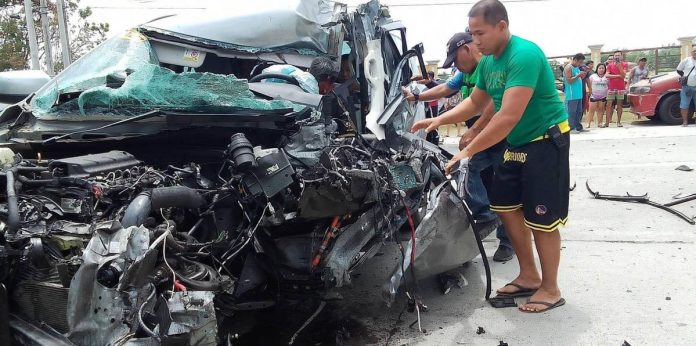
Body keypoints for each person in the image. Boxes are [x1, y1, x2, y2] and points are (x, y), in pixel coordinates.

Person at [411, 0, 569, 313]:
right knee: (505, 206)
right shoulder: (488, 64)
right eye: (471, 33)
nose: (475, 40)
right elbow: (475, 102)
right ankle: (528, 275)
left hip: (544, 142)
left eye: (480, 33)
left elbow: (508, 115)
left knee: (542, 219)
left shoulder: (524, 55)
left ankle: (550, 288)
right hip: (517, 142)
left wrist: (468, 149)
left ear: (501, 26)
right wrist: (438, 120)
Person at [402, 32, 515, 262]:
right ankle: (485, 213)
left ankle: (507, 241)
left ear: (467, 48)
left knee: (504, 188)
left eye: (455, 59)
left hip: (501, 135)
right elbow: (443, 89)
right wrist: (415, 97)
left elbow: (494, 104)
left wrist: (473, 132)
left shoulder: (489, 66)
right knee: (469, 169)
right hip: (481, 136)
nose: (455, 65)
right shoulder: (464, 73)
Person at [564, 53, 588, 132]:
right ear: (575, 60)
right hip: (571, 94)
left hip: (578, 94)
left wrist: (585, 73)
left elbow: (580, 78)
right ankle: (571, 128)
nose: (580, 64)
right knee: (571, 112)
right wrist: (578, 75)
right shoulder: (568, 67)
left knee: (579, 111)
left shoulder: (577, 67)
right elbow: (569, 81)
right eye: (580, 62)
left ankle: (578, 127)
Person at [605, 50, 628, 127]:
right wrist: (618, 76)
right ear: (614, 57)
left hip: (620, 87)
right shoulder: (610, 65)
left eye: (618, 55)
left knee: (619, 105)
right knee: (609, 105)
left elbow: (624, 75)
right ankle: (607, 122)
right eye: (616, 55)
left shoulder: (624, 64)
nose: (617, 57)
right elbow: (607, 75)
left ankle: (619, 122)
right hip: (611, 87)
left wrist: (619, 67)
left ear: (621, 56)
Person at [676, 47, 696, 126]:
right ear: (691, 52)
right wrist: (685, 77)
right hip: (687, 86)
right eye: (694, 51)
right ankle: (685, 122)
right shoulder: (686, 60)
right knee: (684, 104)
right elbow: (678, 69)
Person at [587, 63, 609, 128]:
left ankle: (600, 123)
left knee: (601, 110)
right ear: (597, 69)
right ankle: (588, 123)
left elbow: (609, 85)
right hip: (593, 96)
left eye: (603, 68)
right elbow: (588, 84)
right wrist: (588, 91)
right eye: (600, 68)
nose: (601, 69)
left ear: (605, 69)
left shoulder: (607, 77)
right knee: (591, 110)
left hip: (603, 96)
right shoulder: (593, 76)